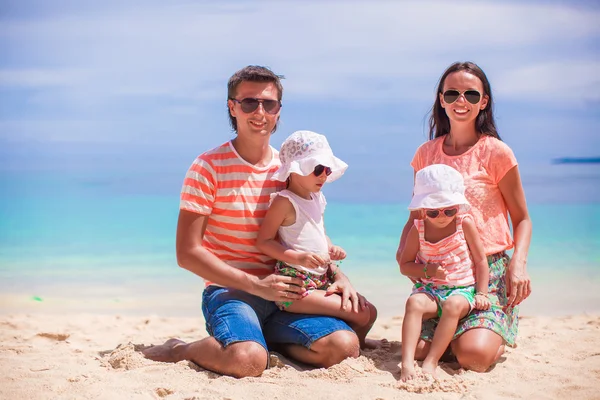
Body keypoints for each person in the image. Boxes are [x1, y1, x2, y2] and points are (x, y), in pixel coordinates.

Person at [142, 66, 363, 378]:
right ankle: (181, 348)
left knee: (344, 345)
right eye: (249, 103)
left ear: (278, 111)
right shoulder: (207, 167)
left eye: (268, 104)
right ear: (232, 107)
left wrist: (337, 273)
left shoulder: (288, 169)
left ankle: (267, 340)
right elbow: (187, 253)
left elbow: (307, 231)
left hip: (288, 293)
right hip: (232, 291)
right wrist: (257, 285)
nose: (260, 112)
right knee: (246, 360)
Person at [397, 61, 532, 373]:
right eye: (453, 93)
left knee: (474, 357)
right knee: (416, 350)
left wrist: (518, 265)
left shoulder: (497, 152)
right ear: (441, 99)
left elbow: (523, 218)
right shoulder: (425, 154)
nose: (461, 101)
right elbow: (417, 213)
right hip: (441, 272)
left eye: (471, 95)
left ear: (483, 102)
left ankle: (480, 331)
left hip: (490, 270)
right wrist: (405, 254)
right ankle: (458, 335)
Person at [256, 130, 388, 350]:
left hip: (320, 278)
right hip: (296, 287)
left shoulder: (317, 198)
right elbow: (264, 241)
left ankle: (359, 343)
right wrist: (298, 257)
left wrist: (330, 247)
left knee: (369, 311)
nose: (324, 175)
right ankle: (288, 344)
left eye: (327, 169)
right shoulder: (284, 202)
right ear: (295, 169)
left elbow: (317, 231)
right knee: (361, 312)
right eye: (318, 169)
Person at [398, 164, 491, 381]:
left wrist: (481, 293)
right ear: (422, 210)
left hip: (462, 290)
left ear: (458, 206)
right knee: (414, 303)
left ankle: (431, 361)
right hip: (430, 290)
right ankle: (407, 361)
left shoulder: (463, 224)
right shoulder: (418, 230)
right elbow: (405, 265)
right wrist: (427, 270)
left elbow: (480, 261)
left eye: (449, 210)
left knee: (452, 305)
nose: (442, 216)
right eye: (433, 211)